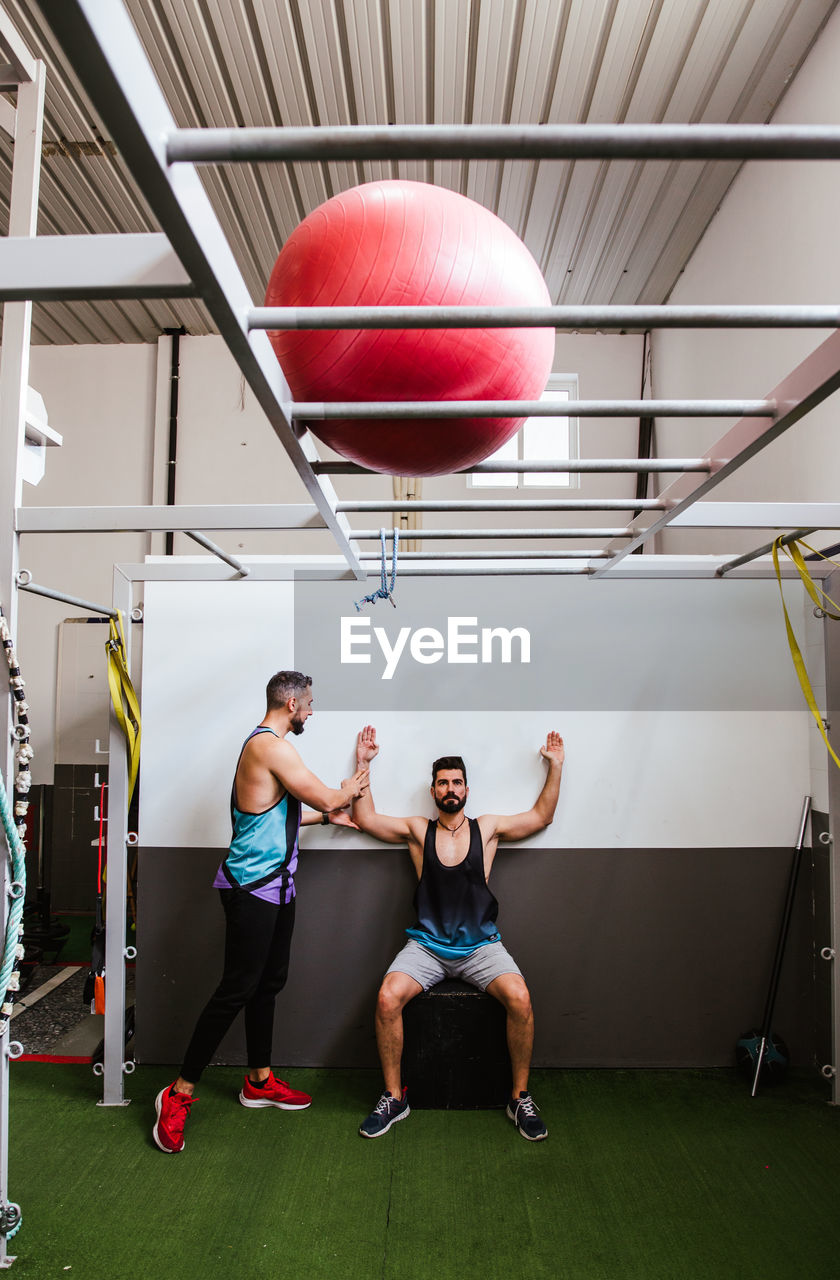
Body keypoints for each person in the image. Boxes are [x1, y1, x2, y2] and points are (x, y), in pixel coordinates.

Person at [152, 670, 368, 1154]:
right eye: (309, 703)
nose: (312, 711)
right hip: (252, 886)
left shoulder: (274, 749)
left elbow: (281, 809)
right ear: (290, 703)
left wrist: (326, 815)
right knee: (236, 989)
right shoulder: (270, 746)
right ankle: (178, 1092)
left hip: (279, 887)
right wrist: (354, 780)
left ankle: (259, 1080)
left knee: (268, 983)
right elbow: (327, 795)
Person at [351, 725, 564, 1142]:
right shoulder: (418, 830)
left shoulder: (487, 829)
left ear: (467, 789)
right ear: (433, 790)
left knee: (520, 998)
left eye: (457, 782)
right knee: (386, 997)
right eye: (443, 782)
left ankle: (519, 1097)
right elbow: (366, 819)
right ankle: (394, 1097)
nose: (451, 788)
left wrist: (555, 767)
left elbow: (542, 816)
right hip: (427, 947)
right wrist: (363, 763)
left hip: (481, 948)